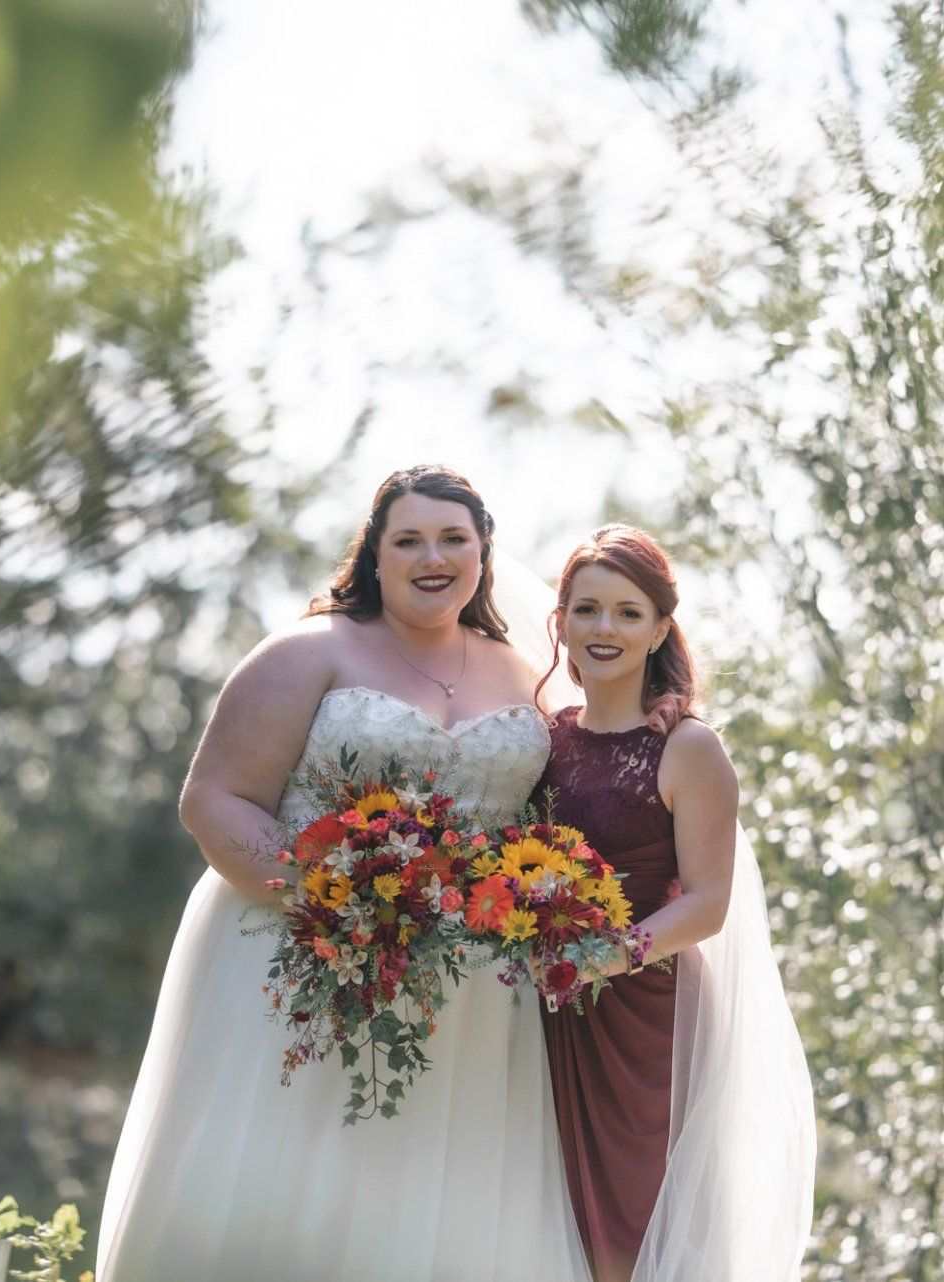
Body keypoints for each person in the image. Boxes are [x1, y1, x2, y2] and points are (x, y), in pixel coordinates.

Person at [96, 465, 591, 1282]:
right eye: (408, 541)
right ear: (375, 555)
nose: (432, 557)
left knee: (435, 1192)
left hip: (471, 988)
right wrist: (328, 901)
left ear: (483, 551)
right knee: (297, 1171)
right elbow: (214, 799)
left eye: (452, 539)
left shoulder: (528, 671)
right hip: (308, 959)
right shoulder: (308, 653)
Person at [531, 524, 816, 1282]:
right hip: (546, 1017)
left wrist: (597, 960)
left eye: (628, 612)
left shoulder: (688, 748)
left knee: (638, 1232)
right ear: (558, 622)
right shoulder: (541, 743)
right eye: (587, 609)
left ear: (660, 628)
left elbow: (708, 904)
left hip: (651, 1018)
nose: (605, 629)